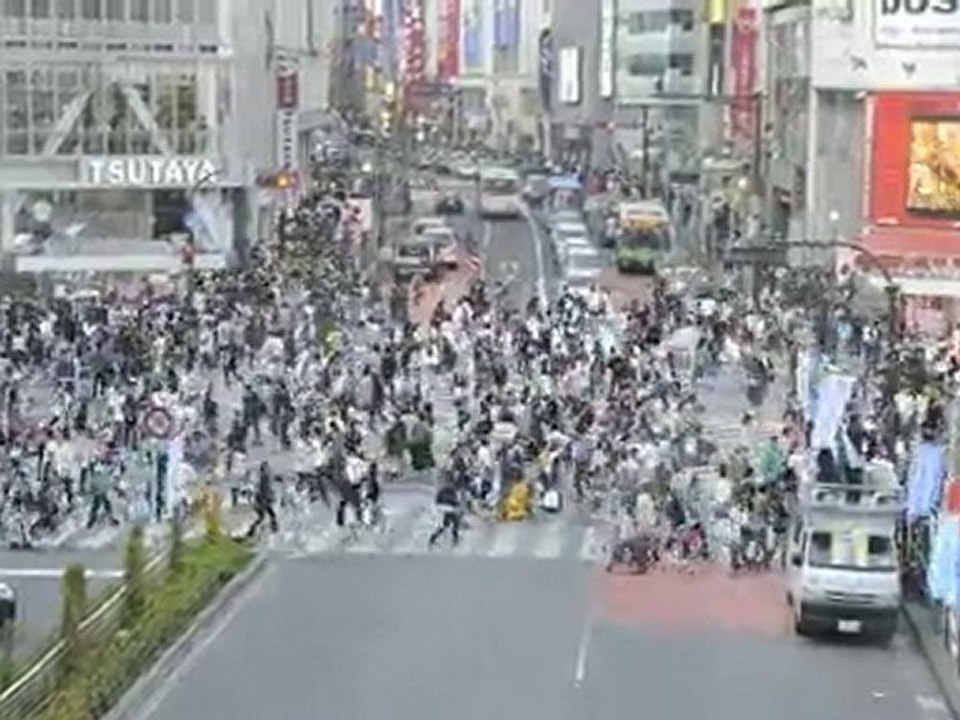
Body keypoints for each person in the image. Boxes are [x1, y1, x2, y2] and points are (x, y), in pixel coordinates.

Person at [245, 461, 278, 538]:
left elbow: (264, 489)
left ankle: (252, 531)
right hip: (263, 500)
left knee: (264, 517)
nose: (268, 469)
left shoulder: (264, 476)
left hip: (262, 499)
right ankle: (273, 530)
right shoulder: (265, 477)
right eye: (266, 467)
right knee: (267, 516)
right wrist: (267, 498)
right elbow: (264, 489)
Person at [428, 481, 462, 548]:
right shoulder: (453, 492)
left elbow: (437, 500)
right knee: (456, 522)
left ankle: (433, 538)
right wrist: (456, 504)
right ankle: (455, 538)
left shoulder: (443, 490)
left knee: (445, 524)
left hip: (441, 507)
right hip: (448, 508)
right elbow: (455, 502)